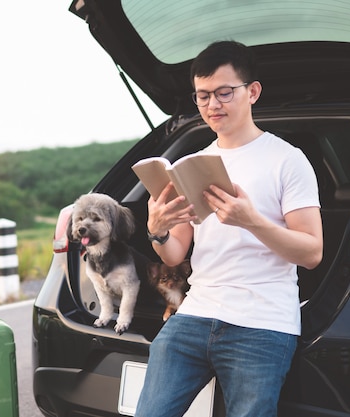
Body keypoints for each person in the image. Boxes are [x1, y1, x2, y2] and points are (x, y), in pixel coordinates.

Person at [135, 40, 323, 417]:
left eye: (224, 93)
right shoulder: (193, 163)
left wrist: (251, 221)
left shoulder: (287, 160)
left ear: (252, 92)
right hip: (194, 314)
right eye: (202, 96)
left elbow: (312, 252)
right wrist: (157, 231)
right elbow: (175, 253)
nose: (212, 105)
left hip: (262, 324)